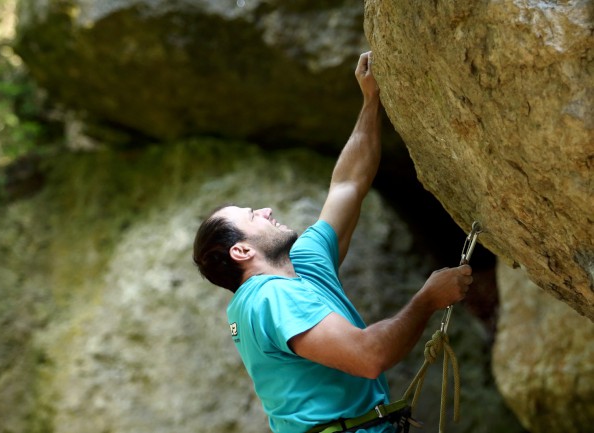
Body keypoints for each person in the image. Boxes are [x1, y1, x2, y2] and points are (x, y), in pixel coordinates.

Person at [192, 51, 473, 433]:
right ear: (241, 251)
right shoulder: (269, 297)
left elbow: (348, 184)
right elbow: (368, 355)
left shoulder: (302, 266)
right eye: (252, 215)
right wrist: (428, 300)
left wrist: (371, 101)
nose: (267, 210)